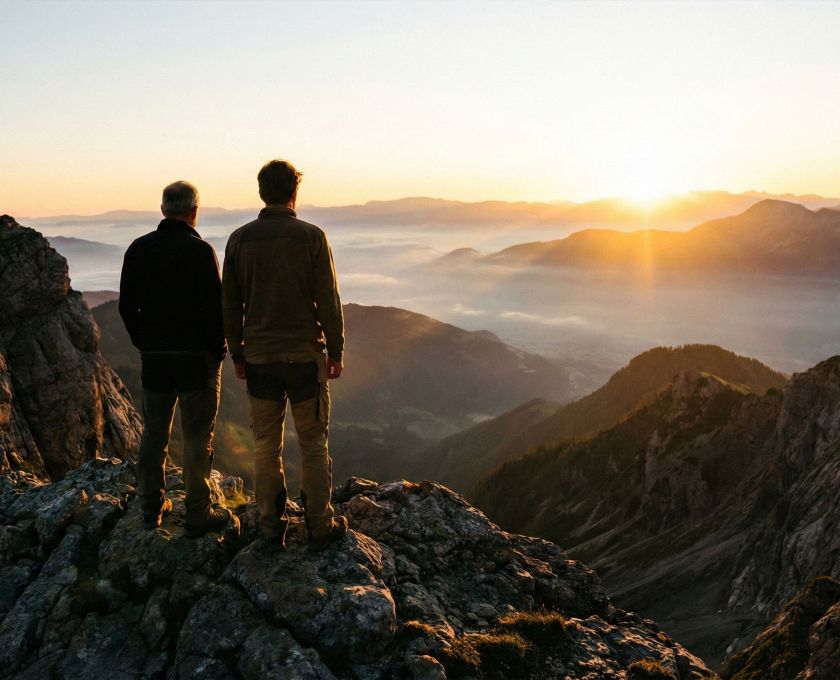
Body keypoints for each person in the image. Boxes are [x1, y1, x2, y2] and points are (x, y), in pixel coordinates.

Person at [222, 159, 347, 550]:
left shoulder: (239, 240)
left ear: (262, 192)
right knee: (312, 442)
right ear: (295, 192)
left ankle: (270, 527)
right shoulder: (312, 237)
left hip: (260, 359)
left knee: (264, 445)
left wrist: (238, 353)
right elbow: (328, 300)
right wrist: (336, 349)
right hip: (304, 358)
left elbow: (230, 304)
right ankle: (319, 526)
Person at [119, 180, 239, 538]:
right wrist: (216, 351)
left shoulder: (138, 249)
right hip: (194, 360)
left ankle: (150, 508)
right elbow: (216, 311)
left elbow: (128, 306)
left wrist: (145, 343)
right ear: (194, 210)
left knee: (154, 434)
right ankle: (199, 513)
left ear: (162, 210)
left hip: (155, 357)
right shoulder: (199, 251)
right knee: (197, 437)